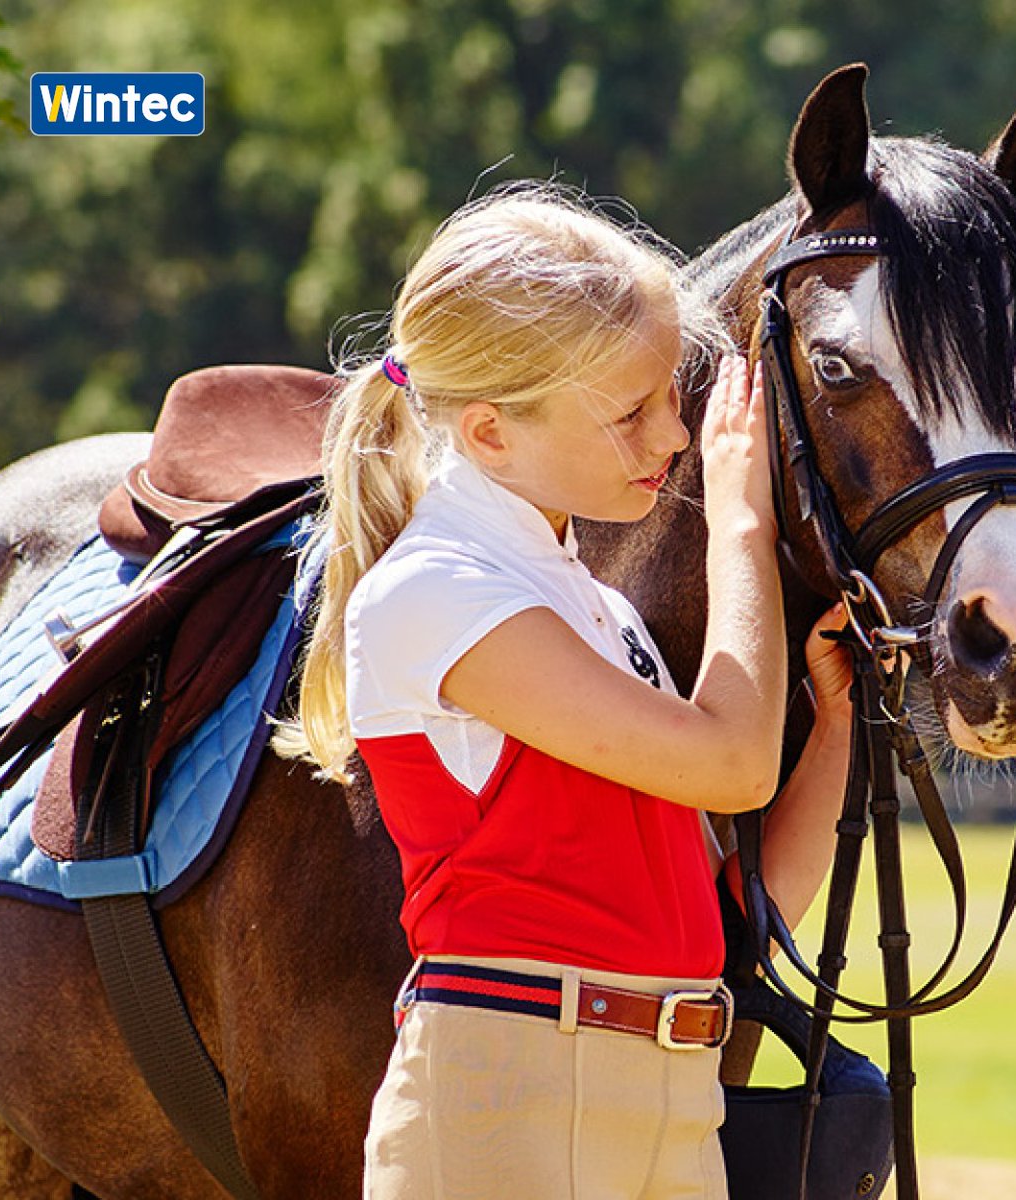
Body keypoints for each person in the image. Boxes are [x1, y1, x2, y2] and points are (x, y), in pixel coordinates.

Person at [277, 184, 854, 1200]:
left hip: (669, 1097)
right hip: (511, 1103)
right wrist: (741, 528)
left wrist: (840, 724)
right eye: (630, 413)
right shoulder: (437, 592)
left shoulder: (598, 612)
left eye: (670, 396)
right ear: (490, 434)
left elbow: (741, 920)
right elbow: (731, 763)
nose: (675, 438)